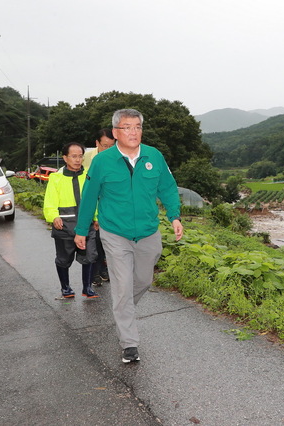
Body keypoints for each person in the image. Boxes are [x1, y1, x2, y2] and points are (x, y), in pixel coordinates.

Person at [74, 108, 183, 364]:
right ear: (115, 132)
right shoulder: (102, 162)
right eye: (127, 127)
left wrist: (174, 216)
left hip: (148, 231)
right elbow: (89, 197)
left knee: (143, 281)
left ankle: (123, 309)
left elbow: (167, 187)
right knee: (122, 288)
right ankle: (129, 343)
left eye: (137, 127)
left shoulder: (154, 156)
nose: (133, 132)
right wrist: (81, 230)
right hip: (115, 233)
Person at [44, 142, 99, 299]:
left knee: (89, 256)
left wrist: (96, 217)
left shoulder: (89, 175)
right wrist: (53, 216)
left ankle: (87, 288)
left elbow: (95, 198)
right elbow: (49, 202)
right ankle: (66, 288)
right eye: (74, 156)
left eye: (80, 156)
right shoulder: (56, 178)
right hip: (64, 225)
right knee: (63, 258)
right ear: (65, 158)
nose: (77, 160)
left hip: (86, 224)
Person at [82, 128, 116, 286]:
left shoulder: (119, 158)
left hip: (110, 206)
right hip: (93, 205)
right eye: (104, 146)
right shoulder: (87, 158)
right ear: (97, 144)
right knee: (93, 241)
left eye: (111, 146)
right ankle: (95, 273)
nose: (107, 150)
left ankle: (103, 269)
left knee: (105, 241)